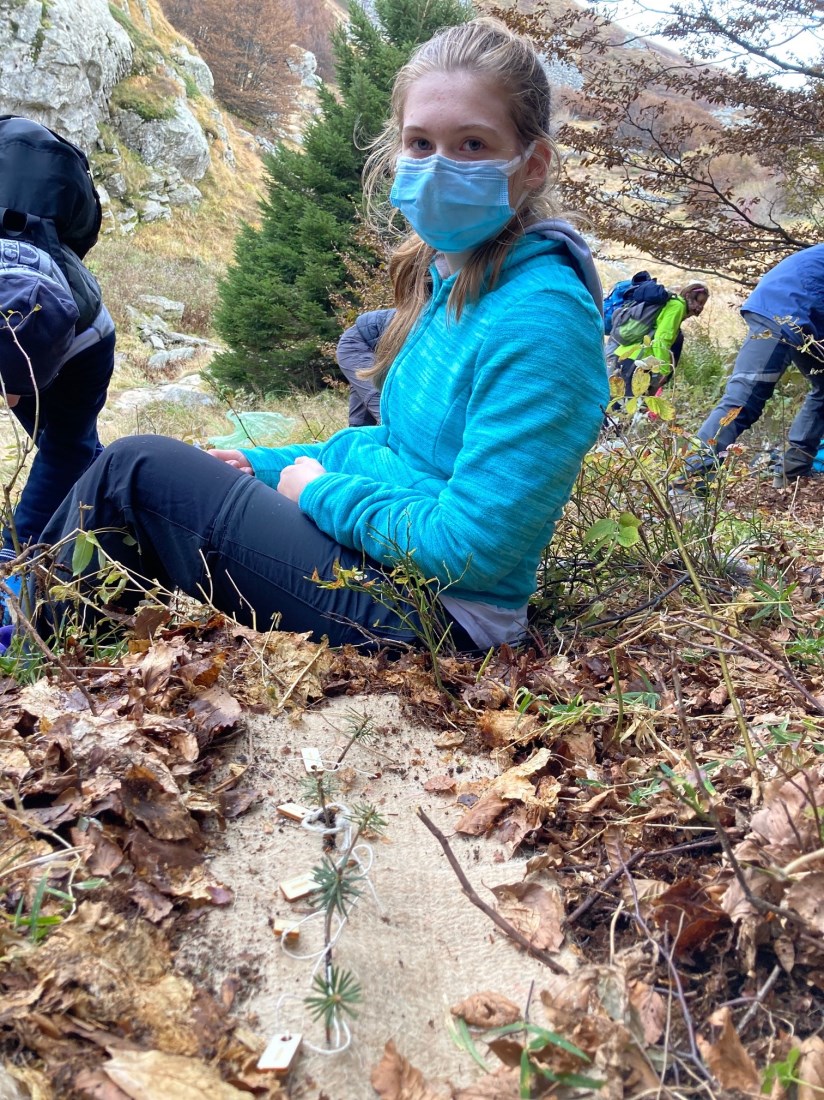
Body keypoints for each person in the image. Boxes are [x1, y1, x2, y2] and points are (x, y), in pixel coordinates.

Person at [34, 17, 608, 652]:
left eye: (472, 144)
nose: (440, 167)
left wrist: (317, 490)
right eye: (420, 144)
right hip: (398, 574)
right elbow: (394, 449)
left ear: (533, 165)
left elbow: (474, 550)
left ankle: (27, 664)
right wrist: (266, 464)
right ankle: (60, 660)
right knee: (163, 474)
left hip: (443, 619)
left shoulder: (542, 318)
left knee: (136, 473)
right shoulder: (459, 278)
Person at [0, 117, 115, 629]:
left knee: (65, 447)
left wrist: (13, 554)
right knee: (69, 452)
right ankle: (106, 496)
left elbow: (80, 236)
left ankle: (33, 552)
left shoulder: (85, 327)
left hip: (78, 340)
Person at [684, 245, 824, 484]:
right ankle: (690, 481)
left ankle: (794, 471)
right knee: (744, 399)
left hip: (802, 314)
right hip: (782, 309)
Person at [606, 282, 709, 396]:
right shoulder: (677, 307)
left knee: (618, 402)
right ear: (689, 296)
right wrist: (664, 370)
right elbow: (662, 339)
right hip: (638, 360)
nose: (699, 307)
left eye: (702, 304)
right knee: (626, 404)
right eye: (698, 302)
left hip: (629, 355)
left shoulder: (673, 303)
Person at [336, 308, 393, 426]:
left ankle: (354, 443)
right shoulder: (430, 324)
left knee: (361, 424)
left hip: (376, 350)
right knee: (387, 409)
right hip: (356, 343)